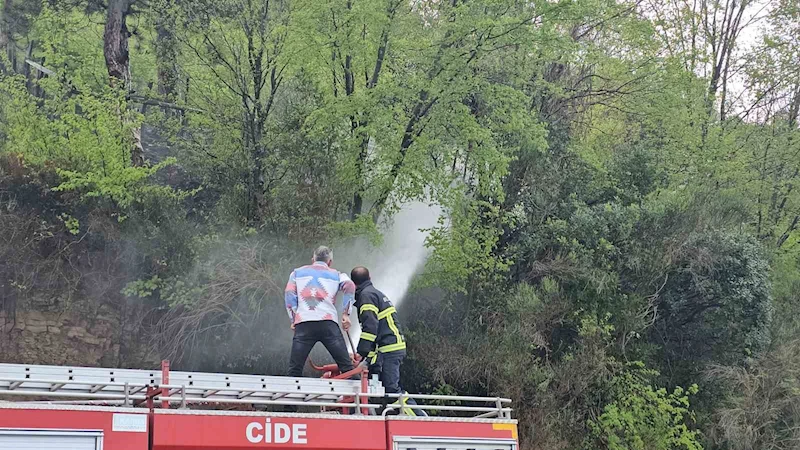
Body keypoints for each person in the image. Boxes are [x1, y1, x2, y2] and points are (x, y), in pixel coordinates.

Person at [350, 266, 424, 416]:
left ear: (353, 284)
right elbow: (375, 331)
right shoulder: (374, 293)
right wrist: (367, 358)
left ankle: (419, 420)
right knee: (380, 388)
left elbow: (370, 328)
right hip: (388, 348)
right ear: (369, 277)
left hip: (389, 349)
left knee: (392, 390)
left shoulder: (366, 296)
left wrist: (360, 353)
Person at [285, 246, 356, 378]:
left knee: (295, 369)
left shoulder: (296, 273)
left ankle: (291, 391)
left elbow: (289, 294)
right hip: (328, 323)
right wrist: (346, 314)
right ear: (330, 262)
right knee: (346, 367)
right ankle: (358, 390)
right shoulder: (338, 275)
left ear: (313, 259)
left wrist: (293, 319)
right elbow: (350, 285)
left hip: (304, 323)